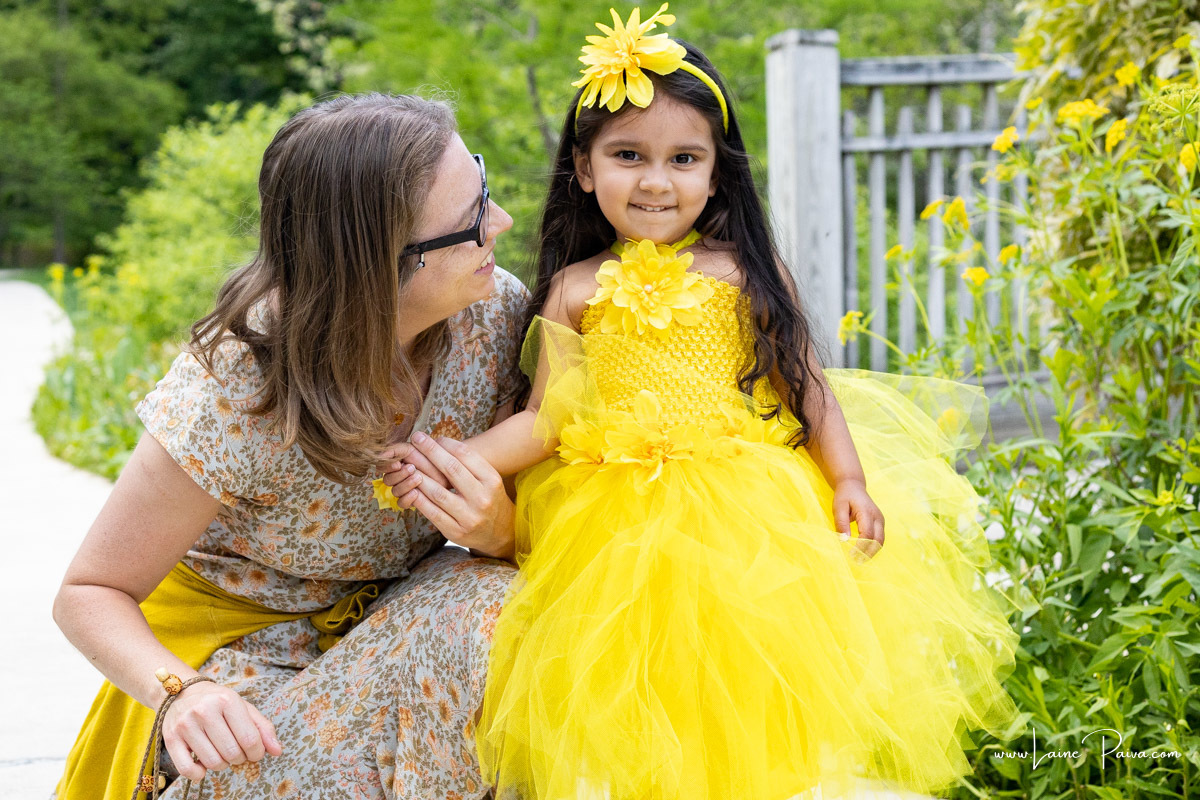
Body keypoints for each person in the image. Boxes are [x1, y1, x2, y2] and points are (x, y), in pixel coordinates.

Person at [384, 6, 1020, 799]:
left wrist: (849, 479)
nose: (656, 180)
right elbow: (547, 419)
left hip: (745, 515)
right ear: (584, 168)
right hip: (611, 529)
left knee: (744, 692)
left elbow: (807, 382)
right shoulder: (575, 289)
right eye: (628, 155)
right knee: (636, 699)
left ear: (717, 170)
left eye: (684, 158)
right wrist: (453, 459)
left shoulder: (744, 273)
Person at [52, 93, 529, 800]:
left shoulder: (495, 318)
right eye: (470, 221)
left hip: (403, 632)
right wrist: (180, 693)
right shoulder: (237, 386)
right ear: (379, 266)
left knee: (499, 606)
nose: (502, 223)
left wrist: (498, 530)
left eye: (483, 189)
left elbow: (537, 536)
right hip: (243, 667)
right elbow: (88, 592)